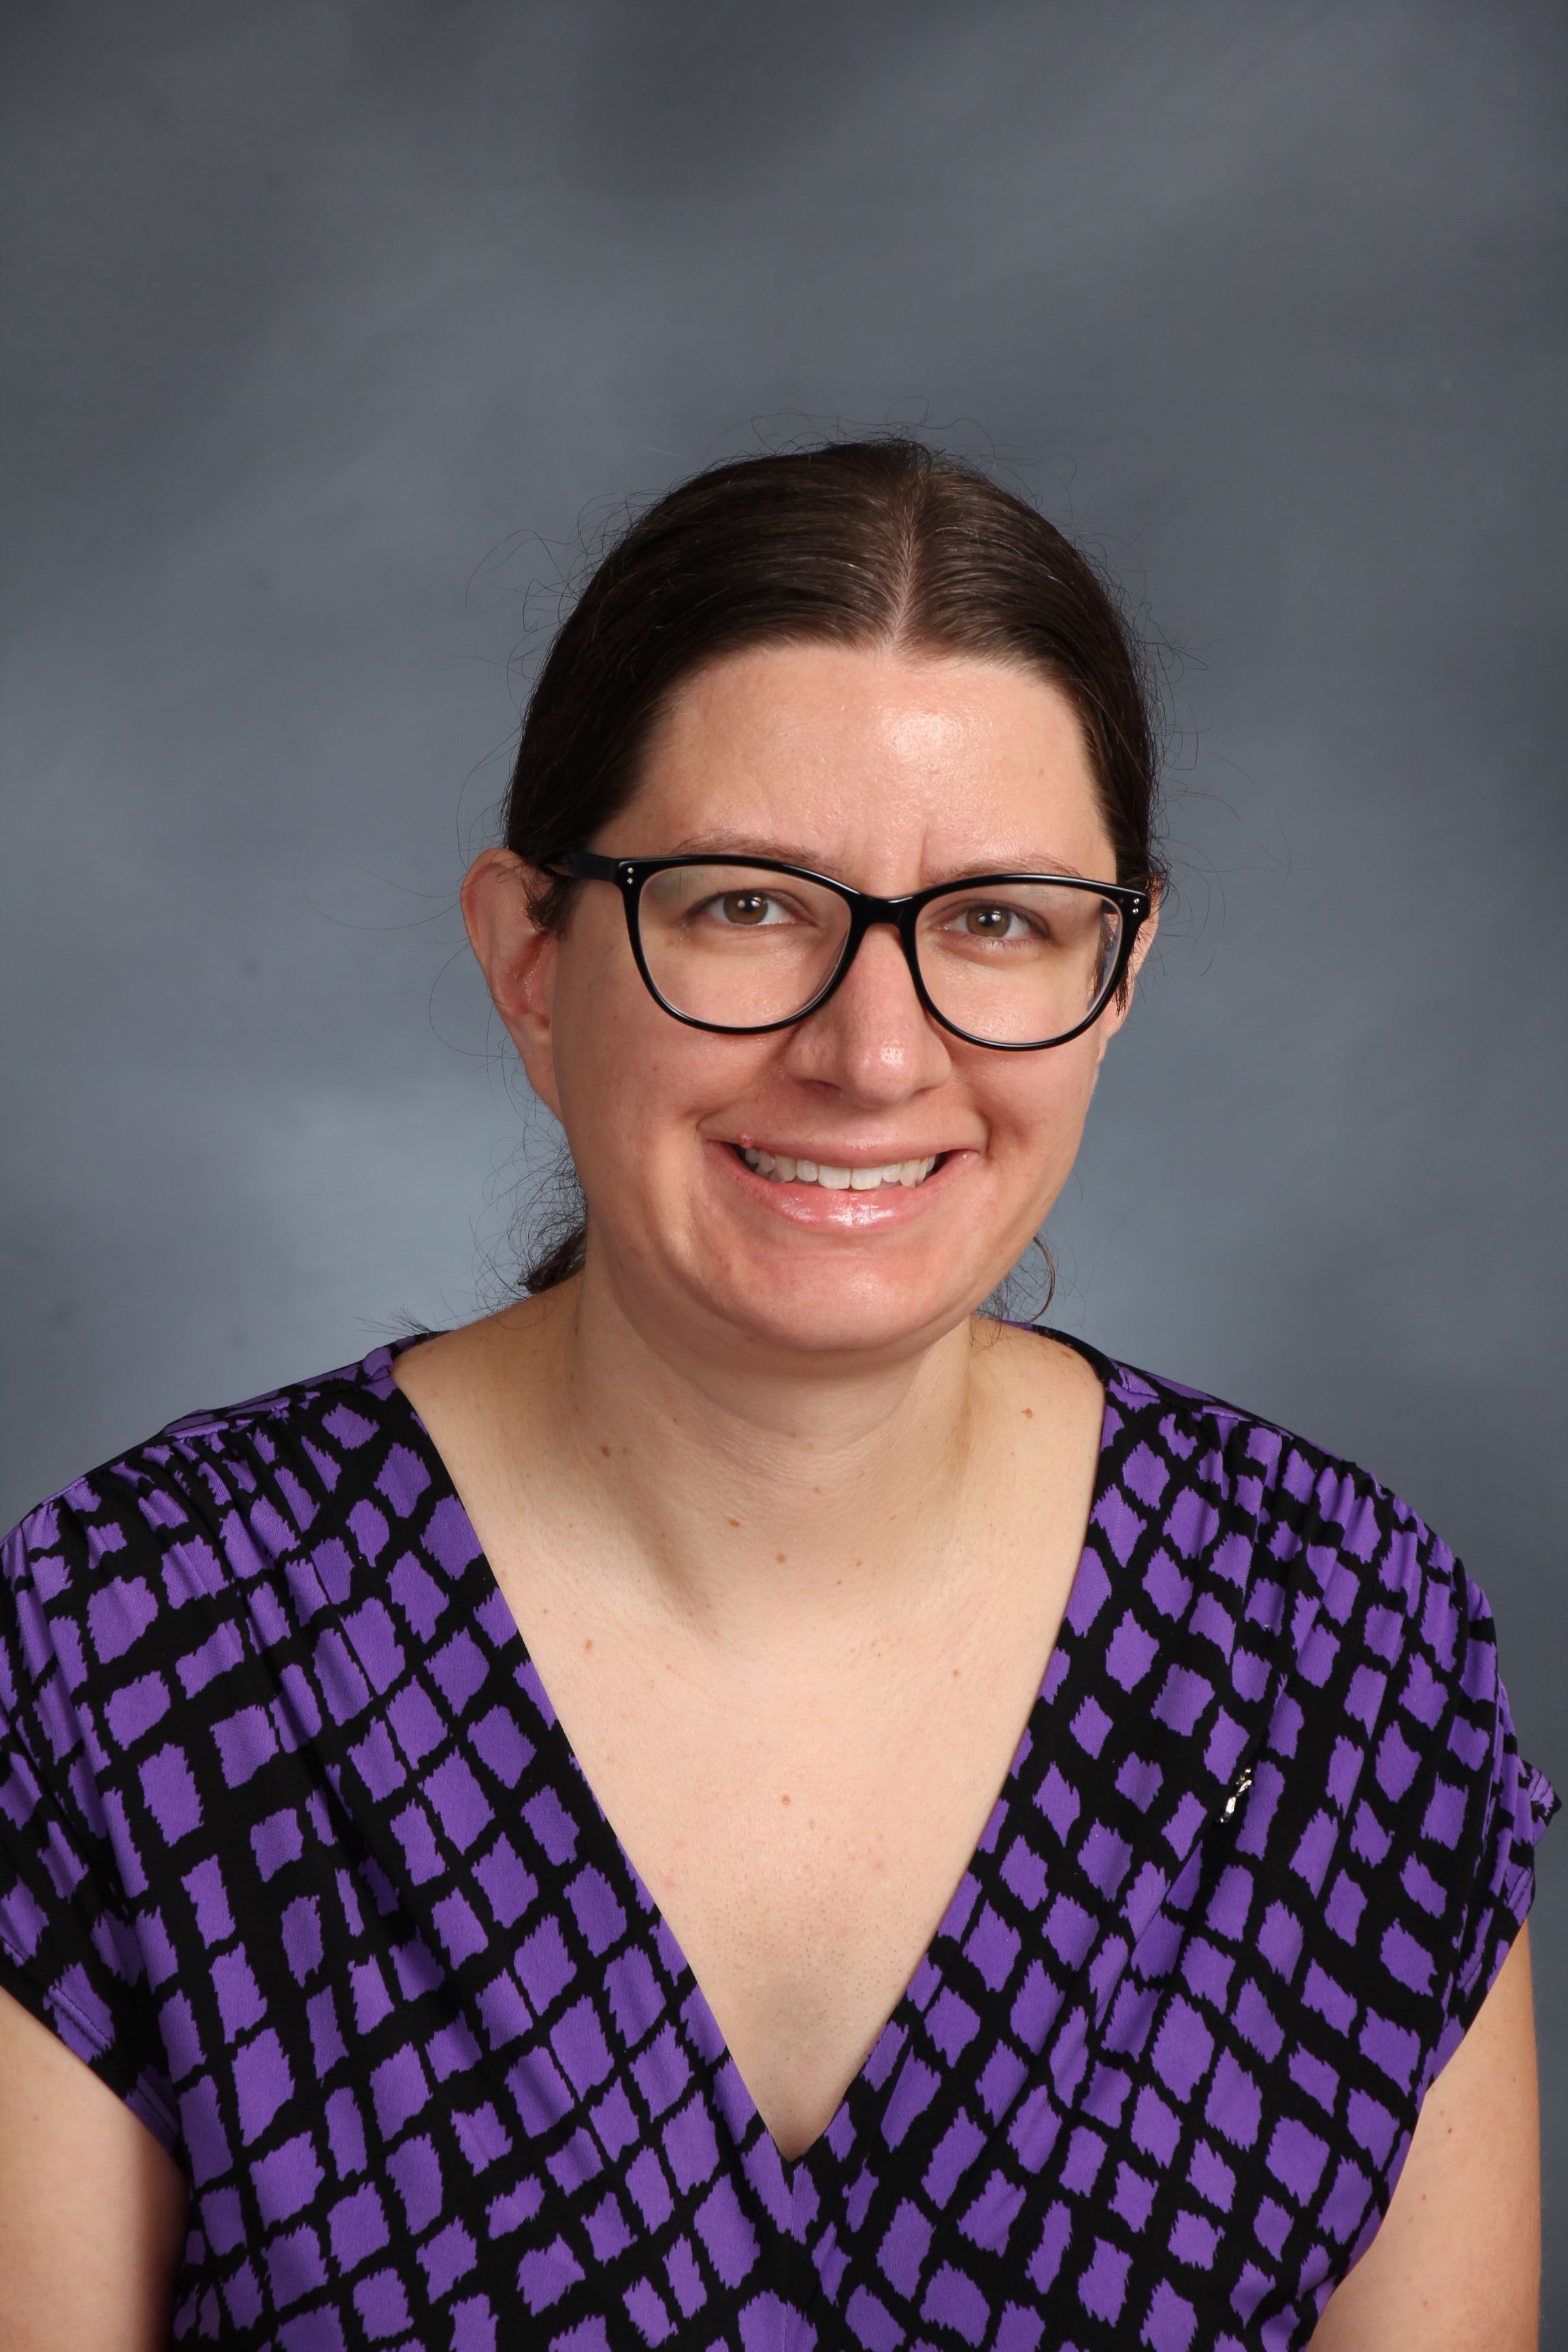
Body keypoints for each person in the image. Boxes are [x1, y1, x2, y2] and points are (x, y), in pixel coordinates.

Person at [0, 440, 1553, 2352]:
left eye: (998, 919)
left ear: (1119, 971)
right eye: (748, 906)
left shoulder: (1342, 1647)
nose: (874, 1051)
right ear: (532, 956)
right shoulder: (129, 1644)